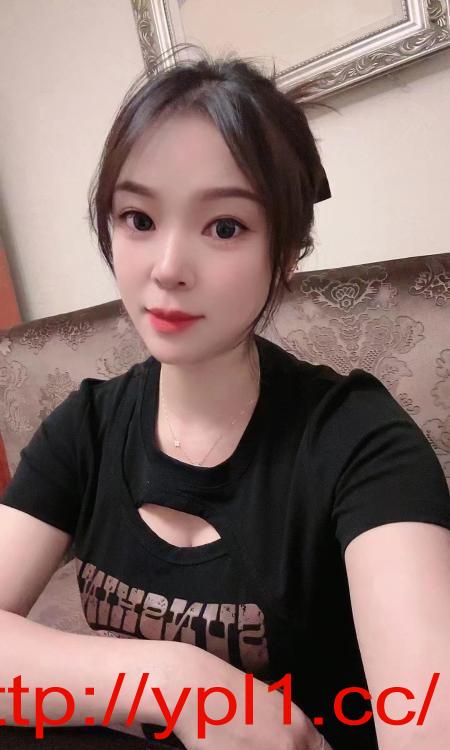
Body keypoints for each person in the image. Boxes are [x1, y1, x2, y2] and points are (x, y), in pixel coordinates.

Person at [0, 43, 449, 750]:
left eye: (225, 227)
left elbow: (425, 720)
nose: (168, 269)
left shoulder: (360, 441)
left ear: (287, 253)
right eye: (138, 219)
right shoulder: (85, 425)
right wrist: (178, 682)